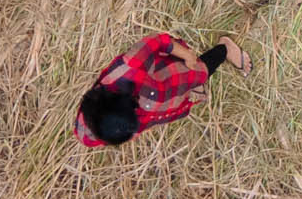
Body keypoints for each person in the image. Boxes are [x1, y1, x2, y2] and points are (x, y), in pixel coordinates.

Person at [73, 32, 251, 148]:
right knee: (187, 94)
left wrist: (187, 56)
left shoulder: (129, 69)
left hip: (168, 76)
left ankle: (224, 49)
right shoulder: (90, 133)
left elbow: (156, 41)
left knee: (199, 72)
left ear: (128, 102)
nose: (134, 136)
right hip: (164, 104)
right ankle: (191, 92)